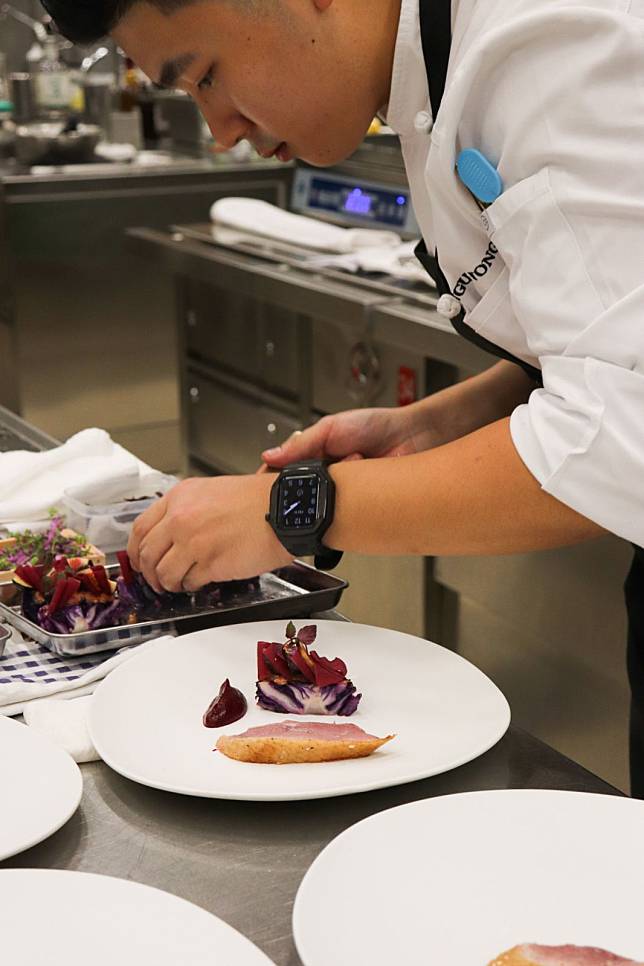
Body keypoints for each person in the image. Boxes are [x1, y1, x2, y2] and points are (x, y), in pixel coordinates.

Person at [41, 0, 644, 795]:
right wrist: (441, 421)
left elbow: (621, 438)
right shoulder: (433, 75)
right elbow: (610, 345)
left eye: (207, 76)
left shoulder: (552, 46)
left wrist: (295, 507)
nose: (220, 130)